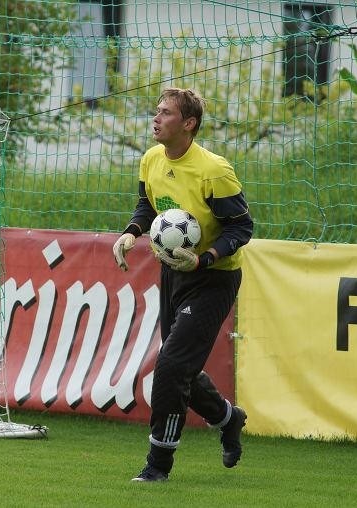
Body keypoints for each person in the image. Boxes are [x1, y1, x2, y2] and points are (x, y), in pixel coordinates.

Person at [112, 88, 253, 482]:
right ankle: (228, 418)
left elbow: (242, 228)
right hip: (174, 273)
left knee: (171, 367)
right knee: (182, 368)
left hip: (214, 278)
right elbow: (148, 205)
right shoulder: (151, 159)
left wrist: (204, 258)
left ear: (189, 124)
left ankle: (157, 466)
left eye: (166, 113)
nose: (156, 118)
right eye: (156, 111)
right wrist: (131, 232)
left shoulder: (214, 171)